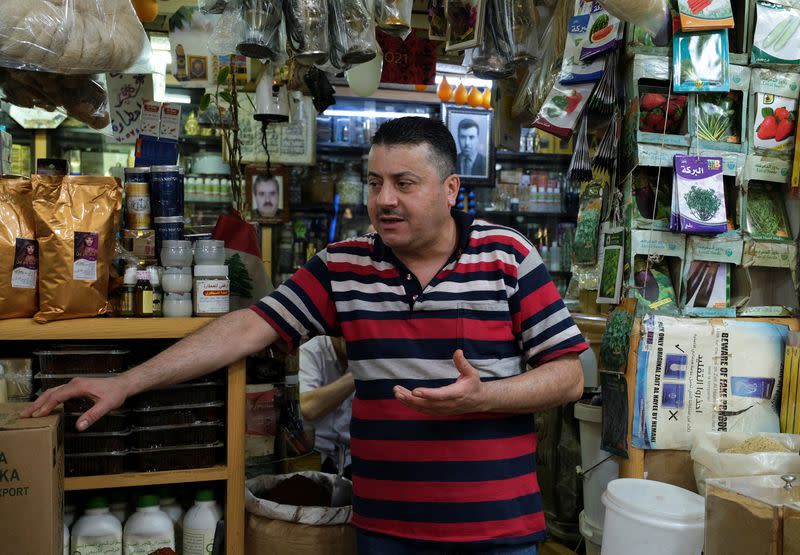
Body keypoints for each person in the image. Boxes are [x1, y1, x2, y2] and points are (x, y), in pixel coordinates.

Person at [25, 116, 587, 554]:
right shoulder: (344, 265)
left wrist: (485, 398)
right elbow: (247, 326)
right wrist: (126, 382)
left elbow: (566, 378)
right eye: (374, 182)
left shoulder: (507, 256)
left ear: (450, 189)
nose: (384, 199)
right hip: (386, 529)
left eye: (404, 183)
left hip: (496, 527)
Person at [299, 335, 354, 479]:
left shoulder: (372, 354)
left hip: (354, 457)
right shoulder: (311, 350)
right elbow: (308, 408)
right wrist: (357, 372)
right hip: (316, 456)